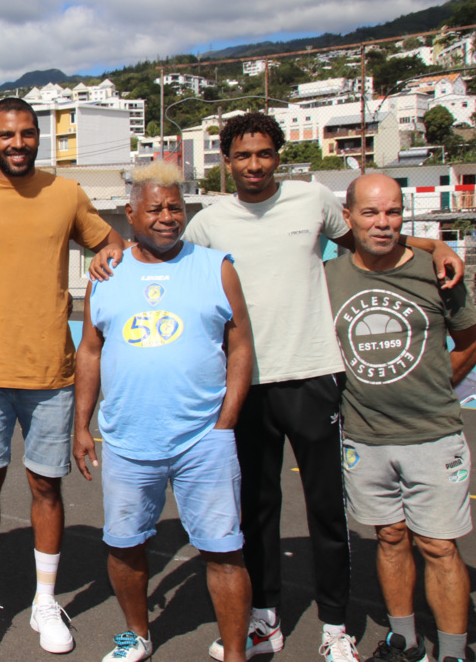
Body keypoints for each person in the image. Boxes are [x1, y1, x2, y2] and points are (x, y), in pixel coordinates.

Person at [161, 112, 464, 662]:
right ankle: (265, 620)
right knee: (256, 509)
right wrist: (114, 253)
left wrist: (431, 244)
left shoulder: (312, 200)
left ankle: (334, 626)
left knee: (326, 511)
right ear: (227, 162)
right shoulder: (208, 223)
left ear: (279, 156)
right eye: (242, 155)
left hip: (314, 376)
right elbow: (167, 261)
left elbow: (370, 239)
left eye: (264, 153)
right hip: (246, 384)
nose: (254, 165)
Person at [0, 97, 125, 655]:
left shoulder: (64, 193)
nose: (17, 144)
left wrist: (104, 258)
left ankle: (45, 601)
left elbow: (108, 242)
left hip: (51, 370)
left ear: (37, 137)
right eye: (6, 135)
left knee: (46, 485)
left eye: (27, 135)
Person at [74, 162, 254, 662]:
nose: (166, 217)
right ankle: (138, 634)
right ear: (130, 213)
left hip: (204, 438)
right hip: (129, 439)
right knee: (125, 545)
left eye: (175, 207)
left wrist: (227, 418)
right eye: (154, 208)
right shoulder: (106, 273)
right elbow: (89, 351)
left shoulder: (216, 266)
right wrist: (81, 425)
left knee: (223, 550)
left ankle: (236, 651)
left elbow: (240, 346)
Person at [324, 173, 476, 662]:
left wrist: (435, 386)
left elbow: (470, 340)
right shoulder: (330, 279)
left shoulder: (437, 270)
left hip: (432, 434)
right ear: (348, 218)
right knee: (389, 539)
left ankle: (453, 652)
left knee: (439, 547)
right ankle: (404, 642)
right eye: (370, 213)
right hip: (365, 438)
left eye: (393, 212)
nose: (383, 223)